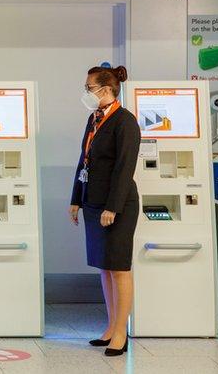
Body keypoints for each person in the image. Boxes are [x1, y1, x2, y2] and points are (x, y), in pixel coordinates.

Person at [68, 65, 141, 358]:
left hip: (117, 205)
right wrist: (76, 198)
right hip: (93, 202)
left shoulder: (125, 122)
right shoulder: (94, 118)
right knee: (104, 267)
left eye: (89, 87)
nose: (86, 92)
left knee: (119, 268)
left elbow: (125, 168)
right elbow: (84, 160)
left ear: (106, 89)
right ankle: (110, 327)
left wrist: (113, 206)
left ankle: (121, 333)